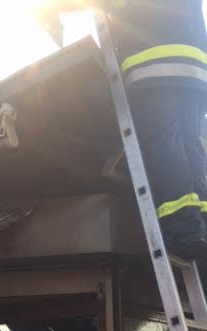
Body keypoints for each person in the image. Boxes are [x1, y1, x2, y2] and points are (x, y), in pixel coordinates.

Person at [37, 1, 207, 258]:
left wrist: (52, 9)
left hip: (154, 60)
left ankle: (183, 232)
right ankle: (201, 223)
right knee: (190, 145)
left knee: (164, 142)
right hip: (195, 66)